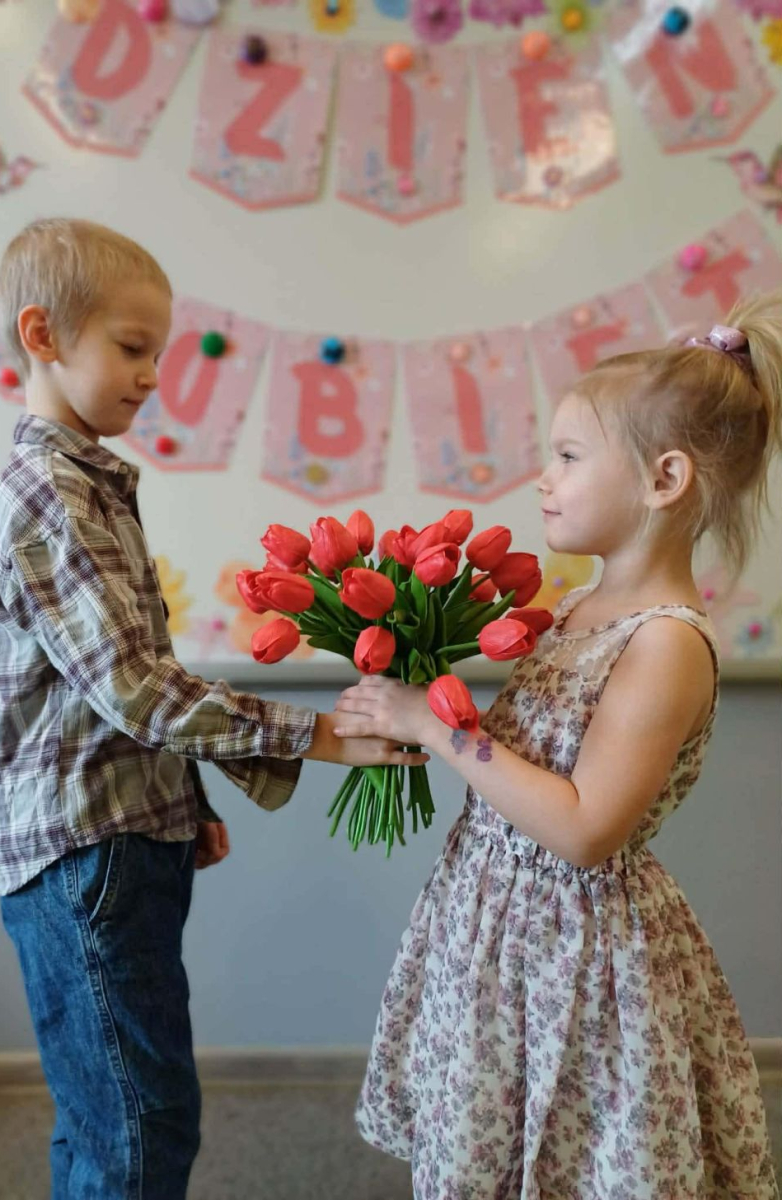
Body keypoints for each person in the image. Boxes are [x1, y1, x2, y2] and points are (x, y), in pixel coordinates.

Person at [0, 217, 426, 1200]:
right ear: (43, 335)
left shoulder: (87, 484)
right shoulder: (50, 494)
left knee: (110, 1111)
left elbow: (109, 684)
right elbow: (133, 689)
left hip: (121, 834)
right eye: (131, 348)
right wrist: (319, 734)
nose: (150, 377)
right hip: (84, 852)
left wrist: (185, 802)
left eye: (158, 354)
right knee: (138, 1126)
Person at [334, 299, 782, 1198]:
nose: (544, 478)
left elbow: (584, 830)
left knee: (572, 1165)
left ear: (664, 479)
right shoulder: (577, 608)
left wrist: (436, 725)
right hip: (498, 930)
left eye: (570, 457)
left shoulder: (664, 643)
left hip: (575, 958)